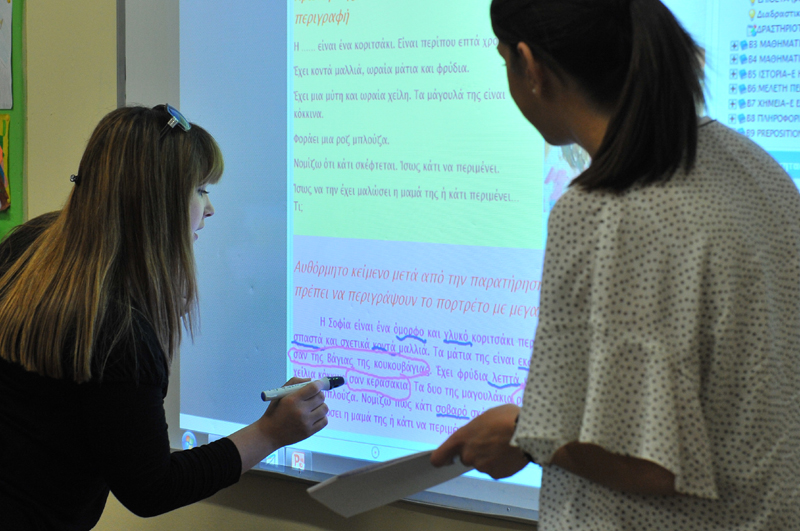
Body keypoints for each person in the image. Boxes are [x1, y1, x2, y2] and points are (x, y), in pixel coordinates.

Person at [431, 0, 800, 529]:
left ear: (530, 66)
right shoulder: (749, 163)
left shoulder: (606, 210)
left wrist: (525, 436)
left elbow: (647, 465)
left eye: (504, 60)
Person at [0, 105, 329, 530]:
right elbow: (151, 488)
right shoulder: (120, 333)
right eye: (200, 190)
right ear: (160, 202)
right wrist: (269, 433)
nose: (209, 209)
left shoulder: (32, 245)